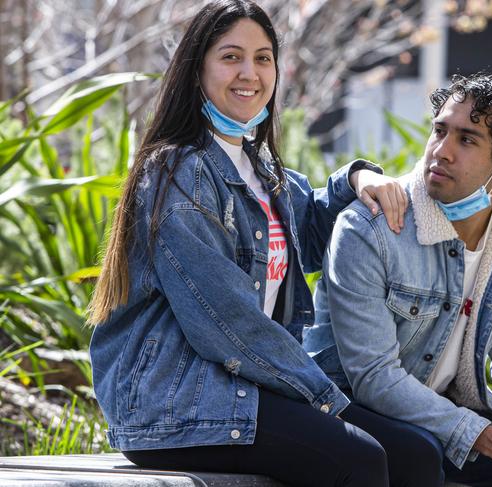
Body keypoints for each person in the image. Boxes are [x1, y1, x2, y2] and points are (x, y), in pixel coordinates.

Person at [87, 1, 413, 486]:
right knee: (360, 460)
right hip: (178, 404)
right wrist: (323, 397)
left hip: (241, 391)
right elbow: (227, 319)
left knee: (417, 454)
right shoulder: (181, 172)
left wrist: (359, 177)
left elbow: (313, 223)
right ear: (196, 69)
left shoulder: (263, 170)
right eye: (231, 57)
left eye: (263, 58)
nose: (250, 73)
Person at [304, 73, 492, 487]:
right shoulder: (370, 228)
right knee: (418, 452)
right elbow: (373, 376)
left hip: (442, 412)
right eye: (439, 131)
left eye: (467, 139)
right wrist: (487, 437)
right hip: (348, 405)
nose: (441, 151)